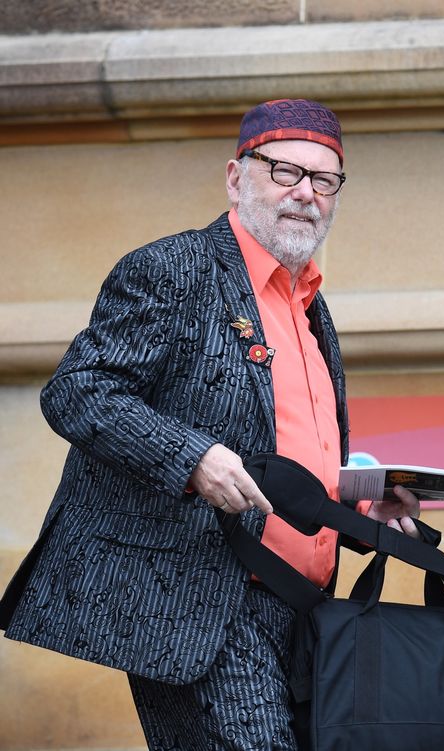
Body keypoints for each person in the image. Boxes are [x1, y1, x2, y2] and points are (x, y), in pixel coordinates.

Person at [0, 99, 421, 750]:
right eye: (284, 171)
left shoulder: (311, 302)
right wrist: (192, 457)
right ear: (235, 177)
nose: (305, 193)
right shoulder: (173, 269)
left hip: (304, 611)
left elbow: (287, 450)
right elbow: (77, 391)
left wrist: (364, 502)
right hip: (200, 603)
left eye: (324, 179)